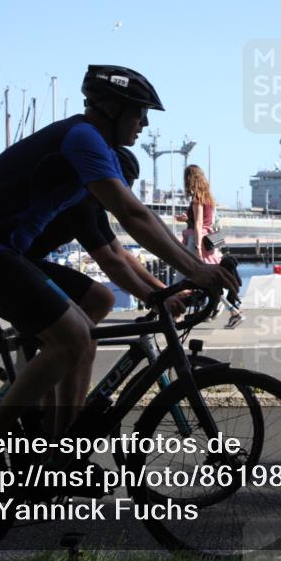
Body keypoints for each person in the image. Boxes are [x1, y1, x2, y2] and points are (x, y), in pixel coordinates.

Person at [0, 65, 238, 458]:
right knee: (74, 336)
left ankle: (59, 446)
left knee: (94, 309)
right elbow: (133, 219)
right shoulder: (82, 138)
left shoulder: (87, 149)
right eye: (138, 113)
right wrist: (194, 270)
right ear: (111, 109)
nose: (143, 124)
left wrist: (159, 291)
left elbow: (121, 246)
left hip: (0, 252)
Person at [23, 146, 187, 438]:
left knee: (81, 337)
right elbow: (109, 262)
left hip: (28, 264)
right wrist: (154, 298)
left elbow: (121, 253)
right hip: (13, 265)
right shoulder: (81, 203)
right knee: (96, 309)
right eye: (123, 186)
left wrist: (164, 289)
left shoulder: (93, 203)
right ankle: (64, 434)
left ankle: (60, 428)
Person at [175, 164, 244, 328]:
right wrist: (187, 219)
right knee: (210, 283)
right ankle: (235, 312)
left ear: (189, 179)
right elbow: (207, 222)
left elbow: (199, 225)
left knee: (178, 280)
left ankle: (174, 318)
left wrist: (197, 248)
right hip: (209, 242)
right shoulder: (208, 199)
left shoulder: (197, 198)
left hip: (196, 243)